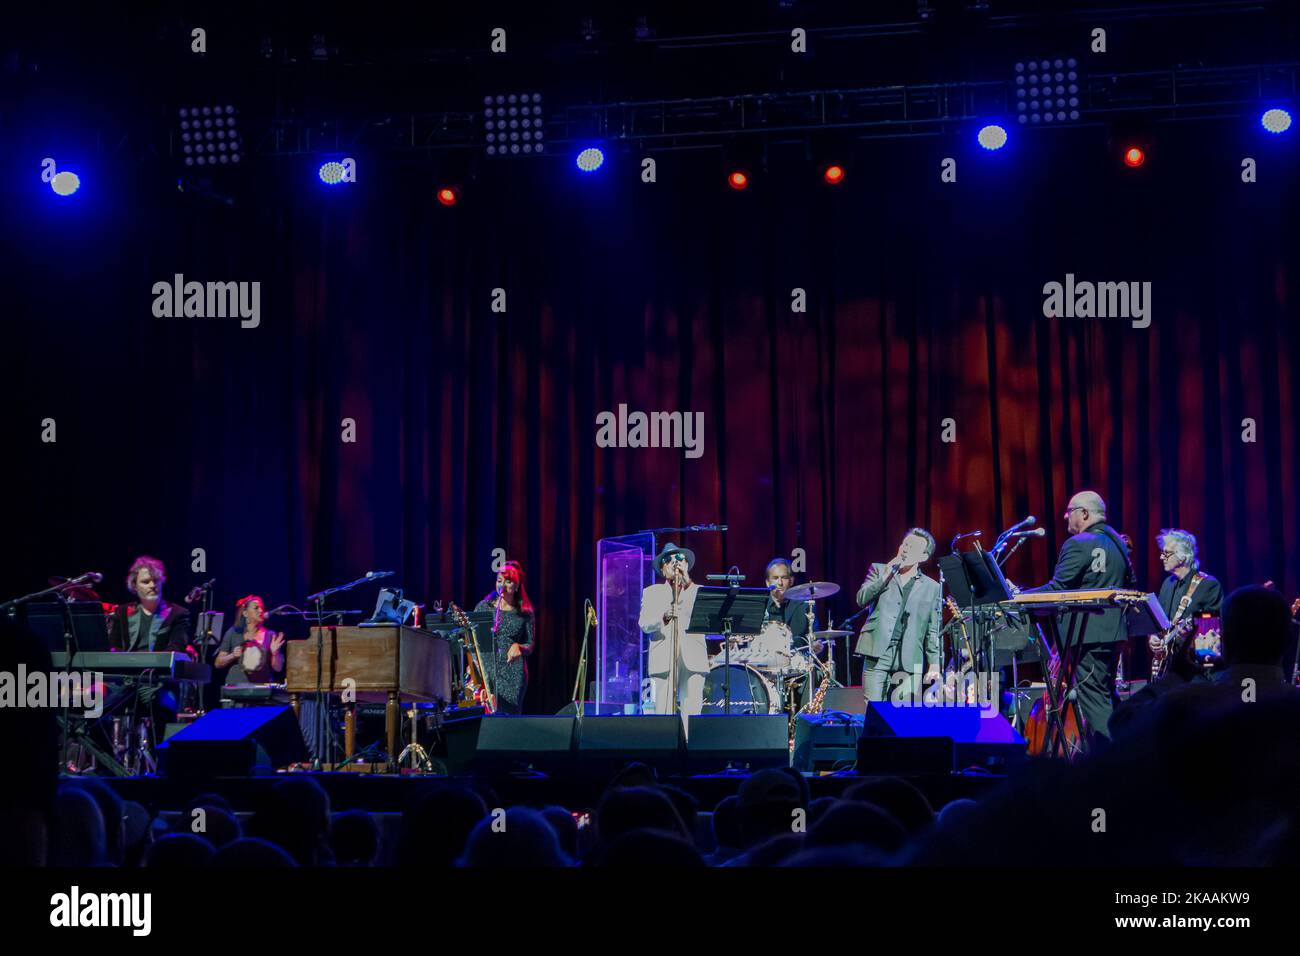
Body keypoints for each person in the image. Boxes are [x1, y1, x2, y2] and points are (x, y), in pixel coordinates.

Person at [1019, 491, 1133, 743]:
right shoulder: (1119, 543)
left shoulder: (1078, 543)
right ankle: (1125, 749)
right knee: (1105, 694)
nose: (1065, 516)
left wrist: (1018, 597)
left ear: (1084, 513)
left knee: (1094, 699)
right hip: (1114, 633)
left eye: (1070, 511)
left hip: (1087, 635)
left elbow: (1057, 589)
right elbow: (1130, 584)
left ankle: (1113, 762)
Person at [854, 529, 942, 703]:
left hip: (910, 656)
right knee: (873, 711)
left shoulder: (932, 587)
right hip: (877, 651)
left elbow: (933, 628)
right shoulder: (879, 570)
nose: (906, 549)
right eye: (905, 544)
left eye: (913, 547)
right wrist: (885, 577)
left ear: (923, 556)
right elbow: (861, 599)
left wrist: (934, 662)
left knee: (904, 718)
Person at [637, 543, 709, 723]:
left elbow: (705, 618)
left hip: (693, 656)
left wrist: (688, 582)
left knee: (692, 712)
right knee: (663, 711)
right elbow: (644, 624)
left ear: (686, 564)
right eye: (668, 560)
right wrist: (663, 617)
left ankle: (690, 747)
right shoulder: (652, 592)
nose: (674, 563)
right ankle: (665, 747)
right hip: (664, 656)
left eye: (679, 559)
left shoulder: (698, 590)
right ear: (662, 569)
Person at [1148, 529, 1223, 680]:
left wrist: (1190, 635)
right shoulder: (1167, 584)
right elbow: (1159, 622)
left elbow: (1212, 631)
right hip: (1170, 667)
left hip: (1196, 670)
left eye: (1166, 553)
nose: (1161, 557)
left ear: (1182, 556)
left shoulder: (1208, 585)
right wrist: (1154, 638)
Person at [473, 560, 535, 714]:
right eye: (499, 581)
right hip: (485, 671)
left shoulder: (524, 612)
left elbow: (530, 644)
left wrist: (519, 646)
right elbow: (472, 638)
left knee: (507, 720)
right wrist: (473, 663)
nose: (502, 585)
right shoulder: (483, 607)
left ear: (517, 585)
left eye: (508, 581)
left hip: (512, 673)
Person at [108, 556, 192, 653]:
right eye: (146, 582)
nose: (152, 585)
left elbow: (175, 649)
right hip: (126, 667)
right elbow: (114, 647)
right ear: (134, 586)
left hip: (159, 667)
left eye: (156, 580)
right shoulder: (122, 612)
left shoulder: (178, 614)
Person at [215, 595, 286, 685]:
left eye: (262, 608)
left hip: (262, 688)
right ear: (245, 613)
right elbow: (218, 663)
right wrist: (233, 655)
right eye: (256, 608)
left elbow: (278, 668)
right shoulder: (233, 633)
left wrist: (275, 654)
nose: (261, 610)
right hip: (236, 687)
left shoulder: (271, 635)